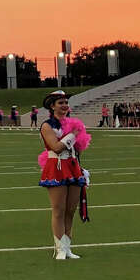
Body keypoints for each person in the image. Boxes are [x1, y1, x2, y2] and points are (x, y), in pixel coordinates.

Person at [39, 90, 87, 260]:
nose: (65, 105)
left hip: (73, 166)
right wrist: (74, 133)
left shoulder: (72, 123)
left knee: (70, 210)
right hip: (56, 167)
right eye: (60, 103)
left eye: (66, 102)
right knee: (58, 210)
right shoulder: (47, 126)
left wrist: (82, 169)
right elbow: (56, 147)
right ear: (52, 106)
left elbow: (79, 149)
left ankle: (67, 248)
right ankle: (59, 248)